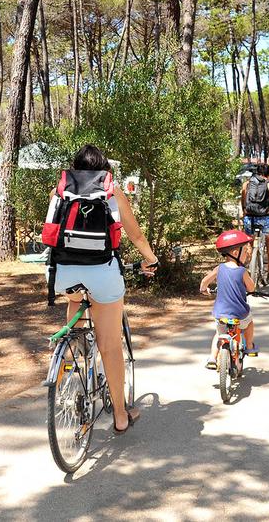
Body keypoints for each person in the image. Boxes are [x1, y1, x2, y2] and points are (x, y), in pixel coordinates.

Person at [49, 144, 158, 434]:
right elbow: (135, 235)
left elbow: (51, 232)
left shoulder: (60, 189)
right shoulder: (112, 191)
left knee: (76, 301)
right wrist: (151, 260)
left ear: (75, 166)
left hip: (63, 274)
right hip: (102, 273)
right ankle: (121, 416)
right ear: (103, 169)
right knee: (109, 346)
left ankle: (73, 354)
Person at [199, 229, 258, 369]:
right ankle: (249, 346)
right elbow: (251, 288)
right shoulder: (242, 271)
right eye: (245, 252)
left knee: (219, 333)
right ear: (236, 253)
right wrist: (251, 289)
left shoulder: (219, 268)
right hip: (240, 313)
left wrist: (204, 290)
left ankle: (212, 358)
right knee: (249, 323)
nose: (246, 255)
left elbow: (204, 282)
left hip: (221, 314)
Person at [241, 163, 269, 274]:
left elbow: (244, 202)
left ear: (257, 172)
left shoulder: (247, 184)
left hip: (250, 218)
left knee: (249, 240)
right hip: (265, 218)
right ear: (268, 173)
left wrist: (245, 214)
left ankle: (248, 264)